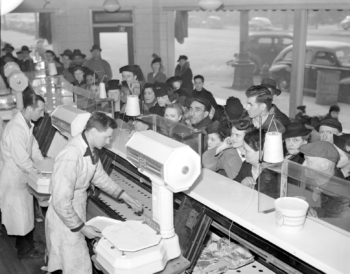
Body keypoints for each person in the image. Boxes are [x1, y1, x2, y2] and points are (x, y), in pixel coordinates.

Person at [45, 112, 143, 274]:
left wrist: (126, 197)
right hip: (63, 218)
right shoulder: (71, 155)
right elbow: (61, 202)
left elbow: (100, 177)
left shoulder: (89, 149)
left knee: (70, 263)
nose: (109, 141)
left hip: (74, 210)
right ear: (93, 132)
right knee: (76, 265)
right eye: (107, 137)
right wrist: (82, 228)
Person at [0, 90, 45, 259]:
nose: (41, 115)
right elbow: (22, 159)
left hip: (21, 176)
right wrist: (38, 174)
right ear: (29, 108)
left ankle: (28, 244)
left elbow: (33, 147)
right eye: (40, 111)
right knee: (20, 216)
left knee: (25, 215)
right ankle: (25, 250)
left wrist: (42, 163)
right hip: (13, 176)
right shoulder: (15, 128)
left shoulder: (26, 124)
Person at [299, 141, 350, 220]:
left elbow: (334, 227)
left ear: (325, 166)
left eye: (308, 161)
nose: (303, 165)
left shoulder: (340, 194)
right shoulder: (310, 177)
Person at [234, 129, 280, 198]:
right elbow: (233, 184)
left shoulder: (274, 175)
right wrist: (242, 184)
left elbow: (269, 202)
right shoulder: (246, 165)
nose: (242, 153)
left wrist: (251, 191)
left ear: (261, 153)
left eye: (247, 150)